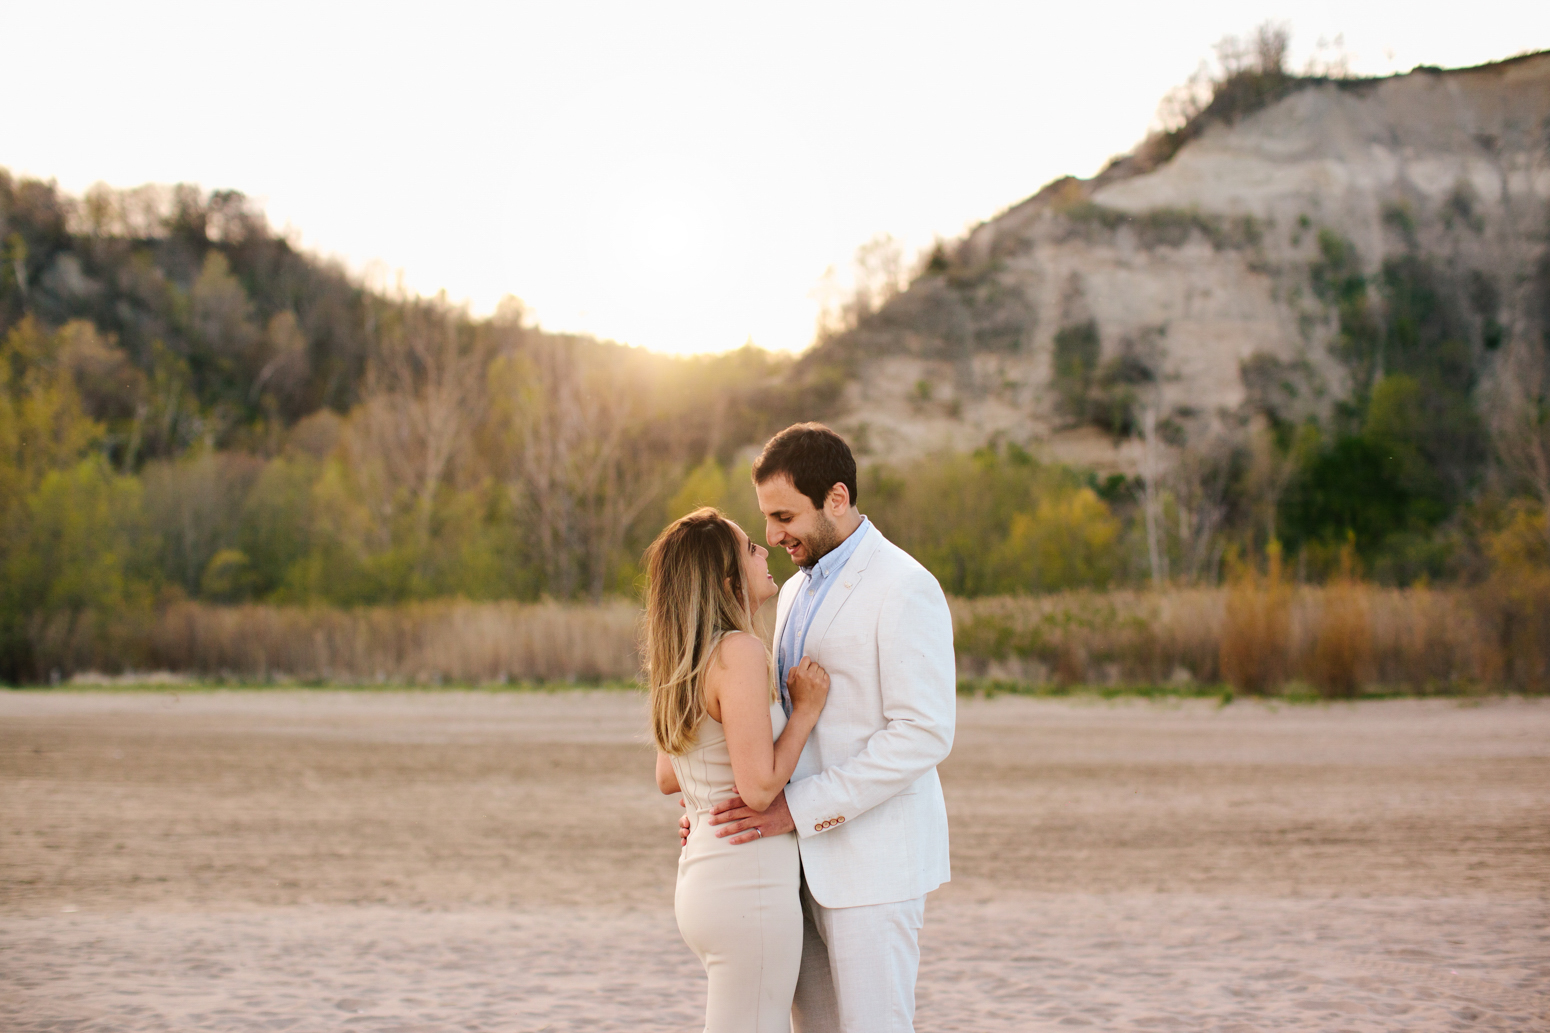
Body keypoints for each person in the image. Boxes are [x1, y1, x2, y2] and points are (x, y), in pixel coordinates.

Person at [685, 422, 957, 1033]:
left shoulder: (904, 586)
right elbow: (768, 722)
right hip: (789, 873)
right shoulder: (789, 593)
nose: (773, 535)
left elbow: (924, 733)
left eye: (785, 516)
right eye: (766, 518)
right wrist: (713, 804)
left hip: (872, 867)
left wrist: (797, 810)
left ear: (837, 497)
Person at [646, 506, 833, 1033]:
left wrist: (703, 801)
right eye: (751, 548)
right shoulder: (739, 652)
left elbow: (667, 777)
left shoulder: (685, 658)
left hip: (705, 883)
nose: (765, 551)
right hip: (745, 887)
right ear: (727, 579)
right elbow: (757, 790)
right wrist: (806, 712)